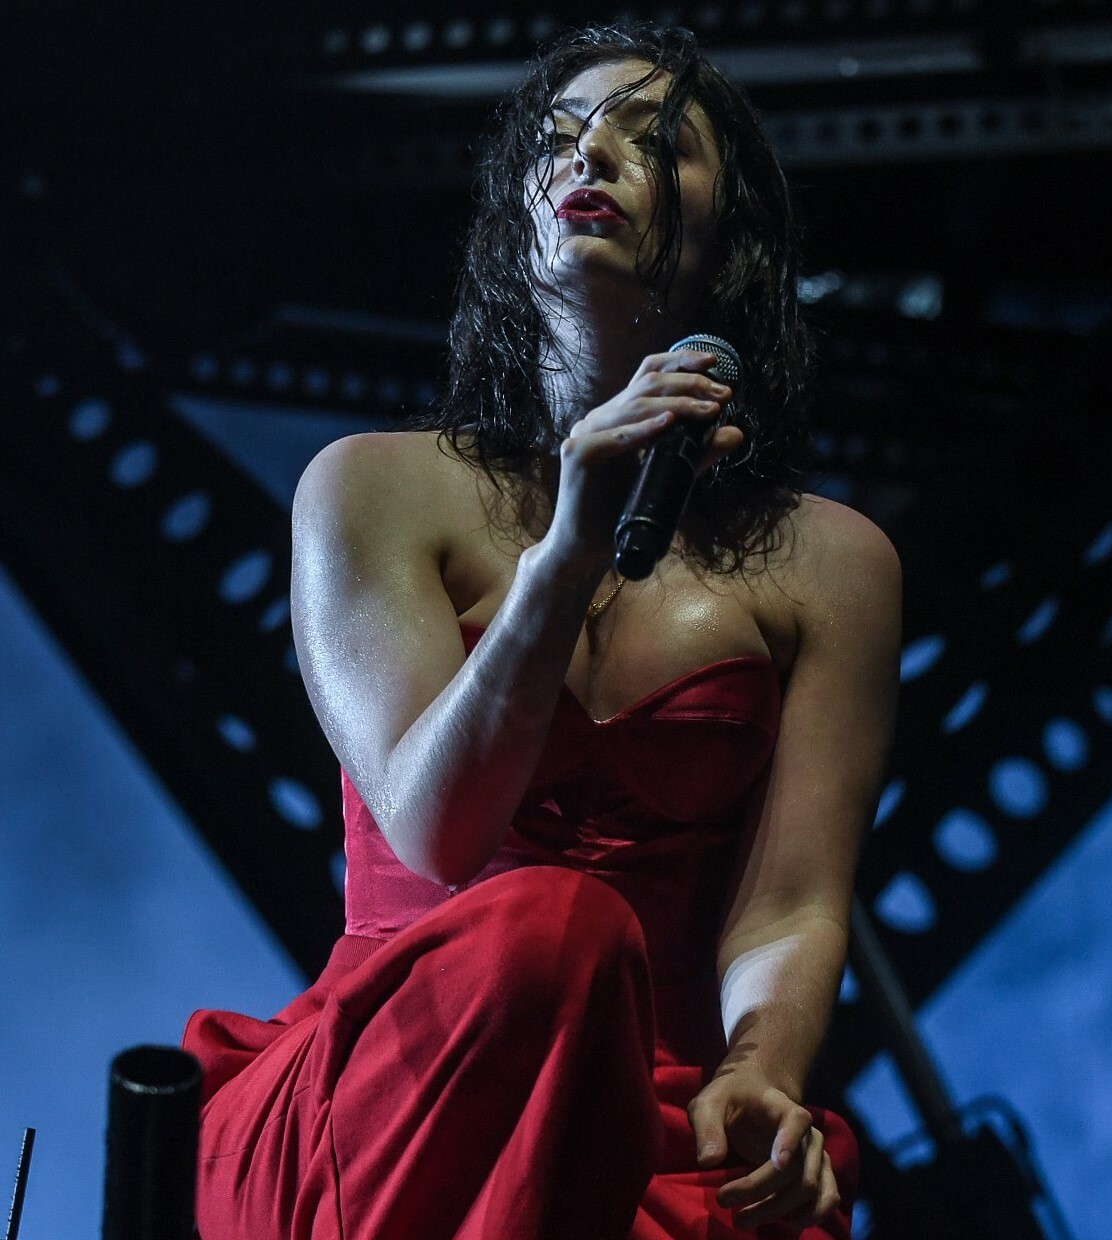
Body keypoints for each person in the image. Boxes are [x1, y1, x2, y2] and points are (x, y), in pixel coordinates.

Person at [183, 21, 901, 1240]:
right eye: (559, 138)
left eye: (653, 140)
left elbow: (790, 904)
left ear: (731, 240)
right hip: (399, 1081)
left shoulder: (836, 567)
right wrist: (568, 552)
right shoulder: (369, 488)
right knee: (551, 925)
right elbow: (439, 830)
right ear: (515, 226)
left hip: (660, 1104)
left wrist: (763, 1069)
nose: (592, 155)